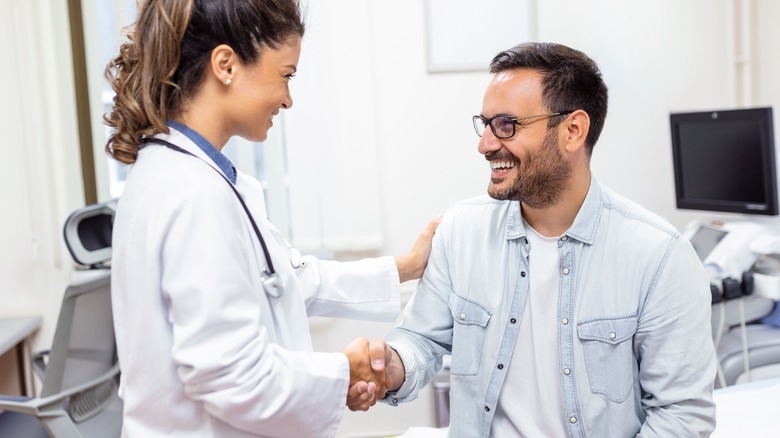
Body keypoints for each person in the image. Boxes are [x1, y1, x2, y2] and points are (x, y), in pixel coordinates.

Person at [103, 0, 438, 436]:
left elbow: (284, 280)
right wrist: (342, 371)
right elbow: (232, 378)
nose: (288, 99)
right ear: (225, 65)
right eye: (286, 75)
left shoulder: (193, 175)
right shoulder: (193, 193)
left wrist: (410, 264)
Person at [376, 42, 717, 437]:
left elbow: (682, 416)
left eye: (506, 125)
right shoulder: (460, 231)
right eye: (484, 124)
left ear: (573, 131)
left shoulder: (659, 257)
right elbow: (421, 340)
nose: (485, 144)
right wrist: (390, 366)